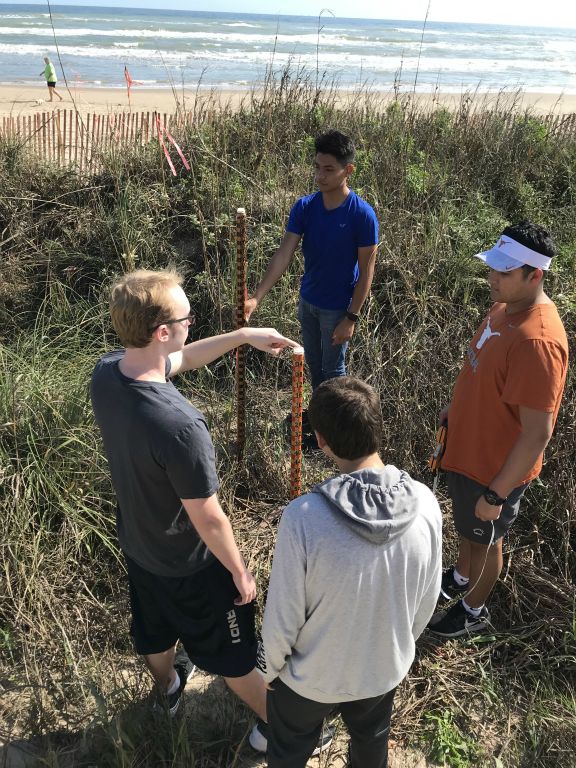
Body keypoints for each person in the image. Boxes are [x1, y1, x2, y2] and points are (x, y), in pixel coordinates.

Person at [90, 268, 297, 748]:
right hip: (191, 564)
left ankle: (167, 688)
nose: (192, 325)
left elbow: (175, 361)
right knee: (234, 653)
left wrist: (244, 336)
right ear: (163, 331)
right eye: (187, 318)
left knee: (154, 631)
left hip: (140, 547)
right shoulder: (181, 426)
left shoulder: (108, 374)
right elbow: (209, 516)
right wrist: (240, 572)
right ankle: (283, 727)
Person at [256, 377, 442, 768]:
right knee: (371, 746)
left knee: (288, 751)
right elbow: (427, 600)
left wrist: (268, 669)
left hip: (308, 681)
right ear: (377, 427)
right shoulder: (427, 505)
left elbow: (283, 619)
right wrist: (396, 651)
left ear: (321, 440)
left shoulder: (304, 518)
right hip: (381, 671)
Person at [429, 221, 569, 638]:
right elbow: (481, 374)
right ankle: (458, 577)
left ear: (535, 275)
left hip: (493, 470)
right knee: (470, 530)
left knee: (487, 537)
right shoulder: (503, 309)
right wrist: (452, 412)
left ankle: (474, 611)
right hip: (467, 452)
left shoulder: (537, 342)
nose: (492, 278)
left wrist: (496, 493)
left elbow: (537, 433)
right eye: (492, 267)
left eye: (504, 272)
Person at [244, 130, 378, 395]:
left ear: (348, 170)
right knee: (314, 367)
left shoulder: (362, 215)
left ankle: (333, 429)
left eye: (329, 169)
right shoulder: (305, 207)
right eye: (317, 167)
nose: (320, 176)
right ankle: (317, 422)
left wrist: (350, 317)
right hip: (308, 303)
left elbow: (366, 273)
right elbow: (284, 254)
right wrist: (256, 298)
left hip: (337, 309)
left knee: (334, 373)